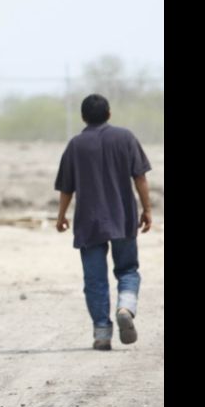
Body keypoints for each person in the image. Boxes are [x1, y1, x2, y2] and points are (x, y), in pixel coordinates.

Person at [55, 94, 152, 350]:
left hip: (89, 222)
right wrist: (147, 210)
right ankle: (125, 307)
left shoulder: (75, 145)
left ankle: (101, 333)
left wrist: (61, 215)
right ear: (109, 113)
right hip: (123, 218)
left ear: (83, 117)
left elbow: (66, 187)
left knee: (95, 280)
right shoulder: (125, 137)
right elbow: (140, 178)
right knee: (128, 270)